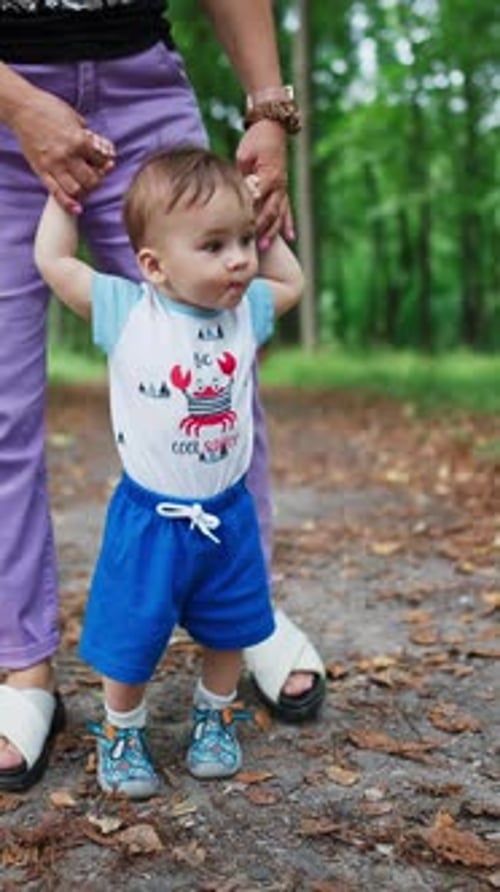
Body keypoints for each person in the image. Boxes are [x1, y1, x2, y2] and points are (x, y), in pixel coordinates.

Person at [0, 0, 325, 793]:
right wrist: (17, 105)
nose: (240, 255)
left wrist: (268, 110)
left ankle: (247, 620)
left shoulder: (250, 283)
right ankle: (20, 665)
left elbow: (275, 287)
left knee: (226, 374)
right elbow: (61, 268)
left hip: (142, 83)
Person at [34, 145, 304, 797]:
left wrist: (266, 223)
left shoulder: (247, 310)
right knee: (132, 631)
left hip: (227, 515)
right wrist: (63, 200)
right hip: (152, 519)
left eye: (242, 241)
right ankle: (122, 730)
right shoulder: (129, 313)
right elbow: (53, 262)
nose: (238, 259)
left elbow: (290, 283)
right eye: (214, 245)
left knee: (231, 626)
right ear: (153, 265)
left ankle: (215, 718)